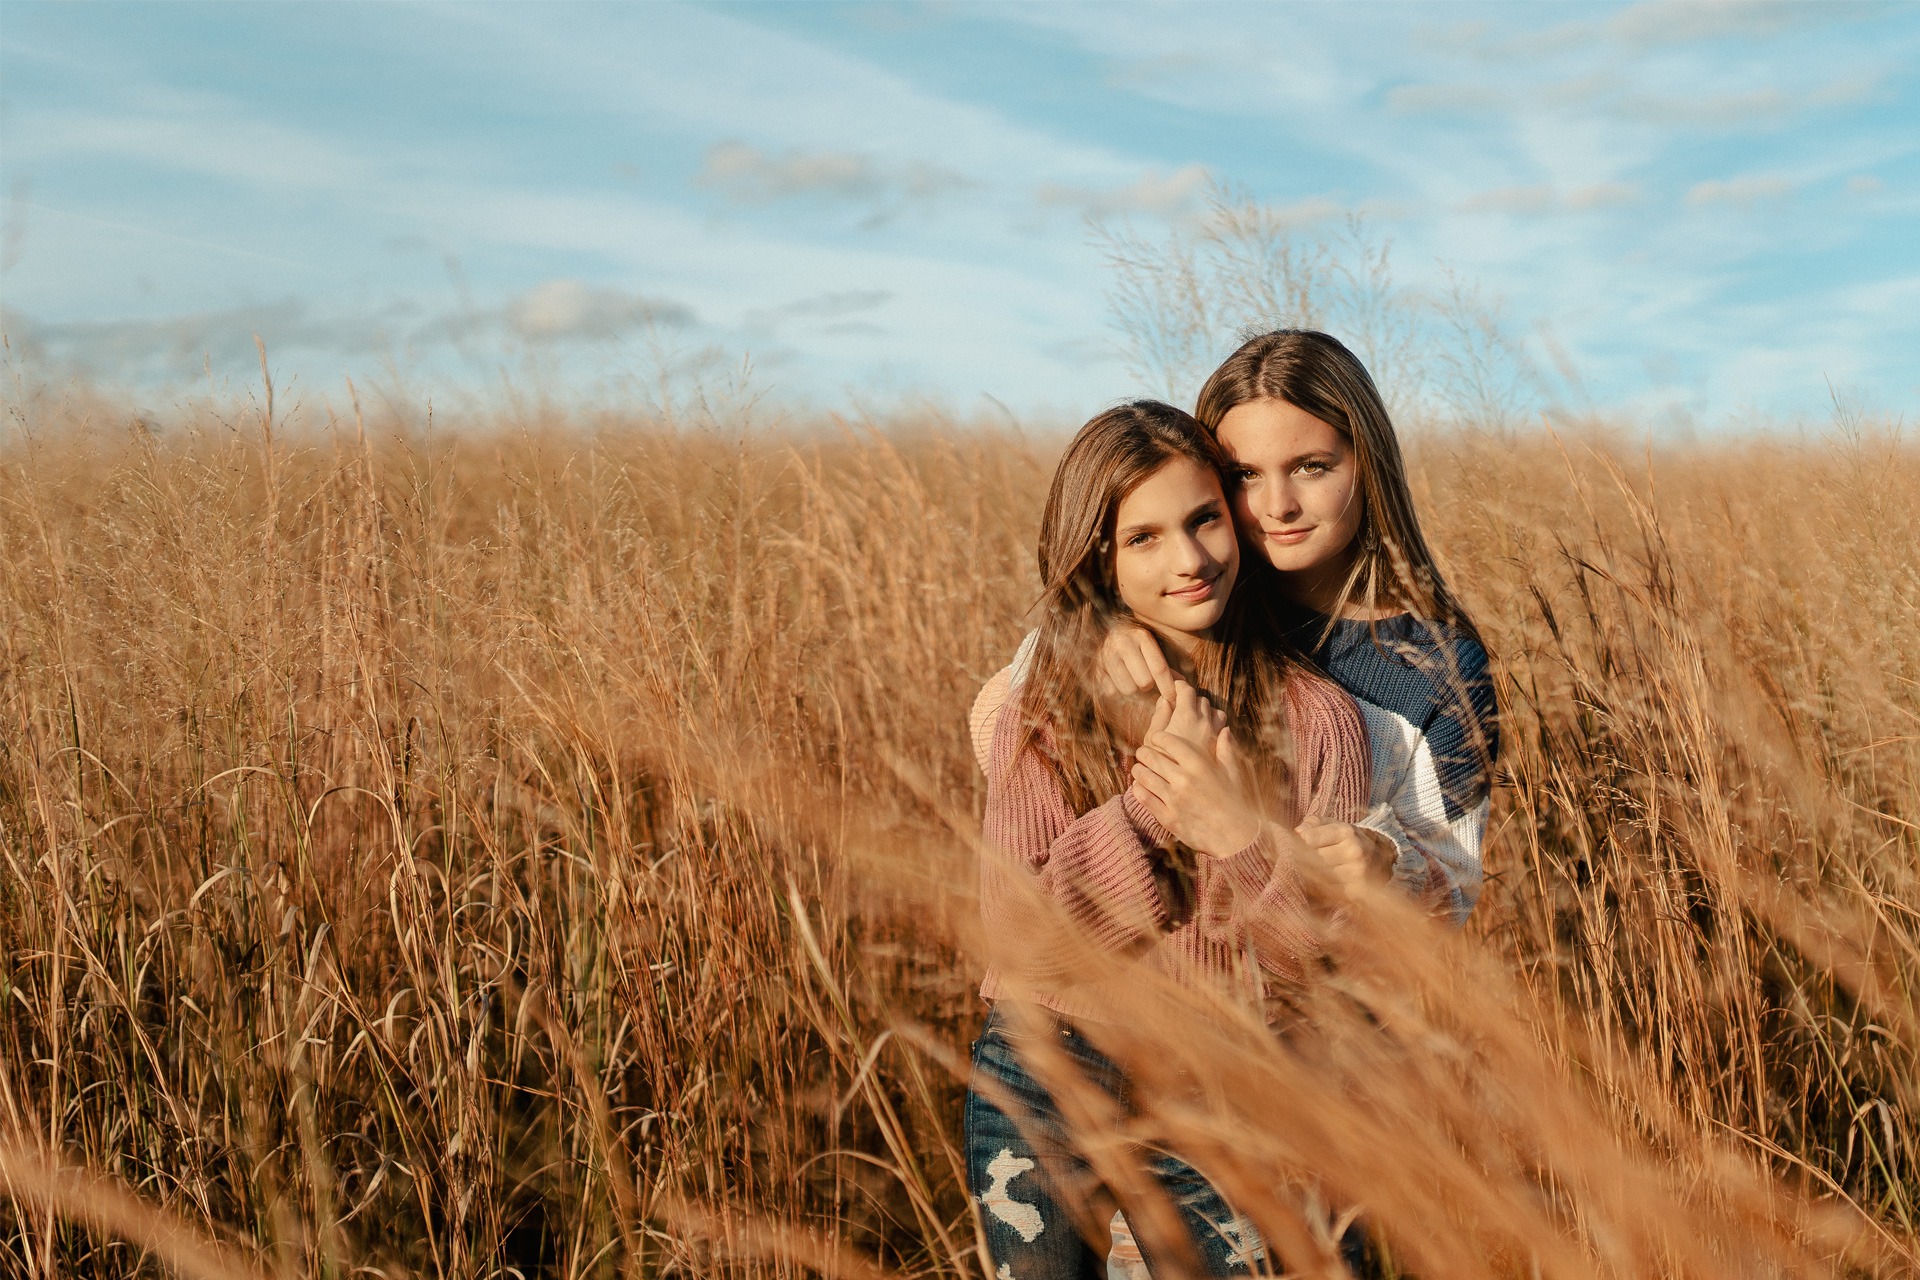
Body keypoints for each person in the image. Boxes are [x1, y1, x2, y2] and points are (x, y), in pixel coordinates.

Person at [964, 399, 1374, 1279]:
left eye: (1203, 521)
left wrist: (1233, 835)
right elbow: (1018, 934)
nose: (1189, 561)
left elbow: (1318, 961)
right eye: (1143, 539)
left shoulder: (1317, 718)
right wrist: (1150, 813)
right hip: (1045, 1064)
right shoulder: (1045, 707)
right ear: (1098, 557)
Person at [974, 330, 1498, 927]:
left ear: (1368, 464)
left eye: (1311, 467)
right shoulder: (1208, 591)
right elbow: (999, 721)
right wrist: (1096, 628)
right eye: (1246, 474)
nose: (1278, 505)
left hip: (1317, 982)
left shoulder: (1438, 664)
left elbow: (1451, 893)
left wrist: (1389, 862)